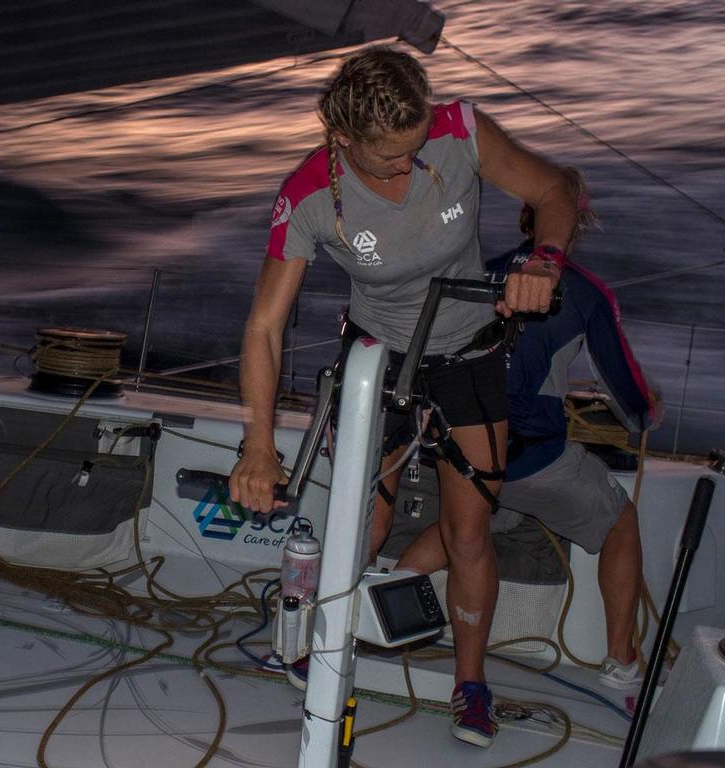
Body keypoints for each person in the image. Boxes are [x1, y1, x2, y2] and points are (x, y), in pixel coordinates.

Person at [228, 46, 577, 748]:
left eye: (417, 148)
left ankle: (470, 685)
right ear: (343, 140)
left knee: (468, 532)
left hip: (471, 352)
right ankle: (316, 649)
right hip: (376, 362)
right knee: (366, 527)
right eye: (389, 159)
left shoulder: (460, 130)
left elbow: (556, 192)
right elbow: (265, 327)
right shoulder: (307, 195)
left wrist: (544, 258)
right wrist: (259, 444)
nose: (411, 168)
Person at [390, 168, 660, 694]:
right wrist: (647, 415)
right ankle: (622, 661)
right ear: (574, 223)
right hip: (533, 459)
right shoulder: (586, 293)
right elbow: (626, 387)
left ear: (525, 215)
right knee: (621, 522)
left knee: (464, 526)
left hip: (463, 447)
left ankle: (375, 617)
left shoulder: (477, 272)